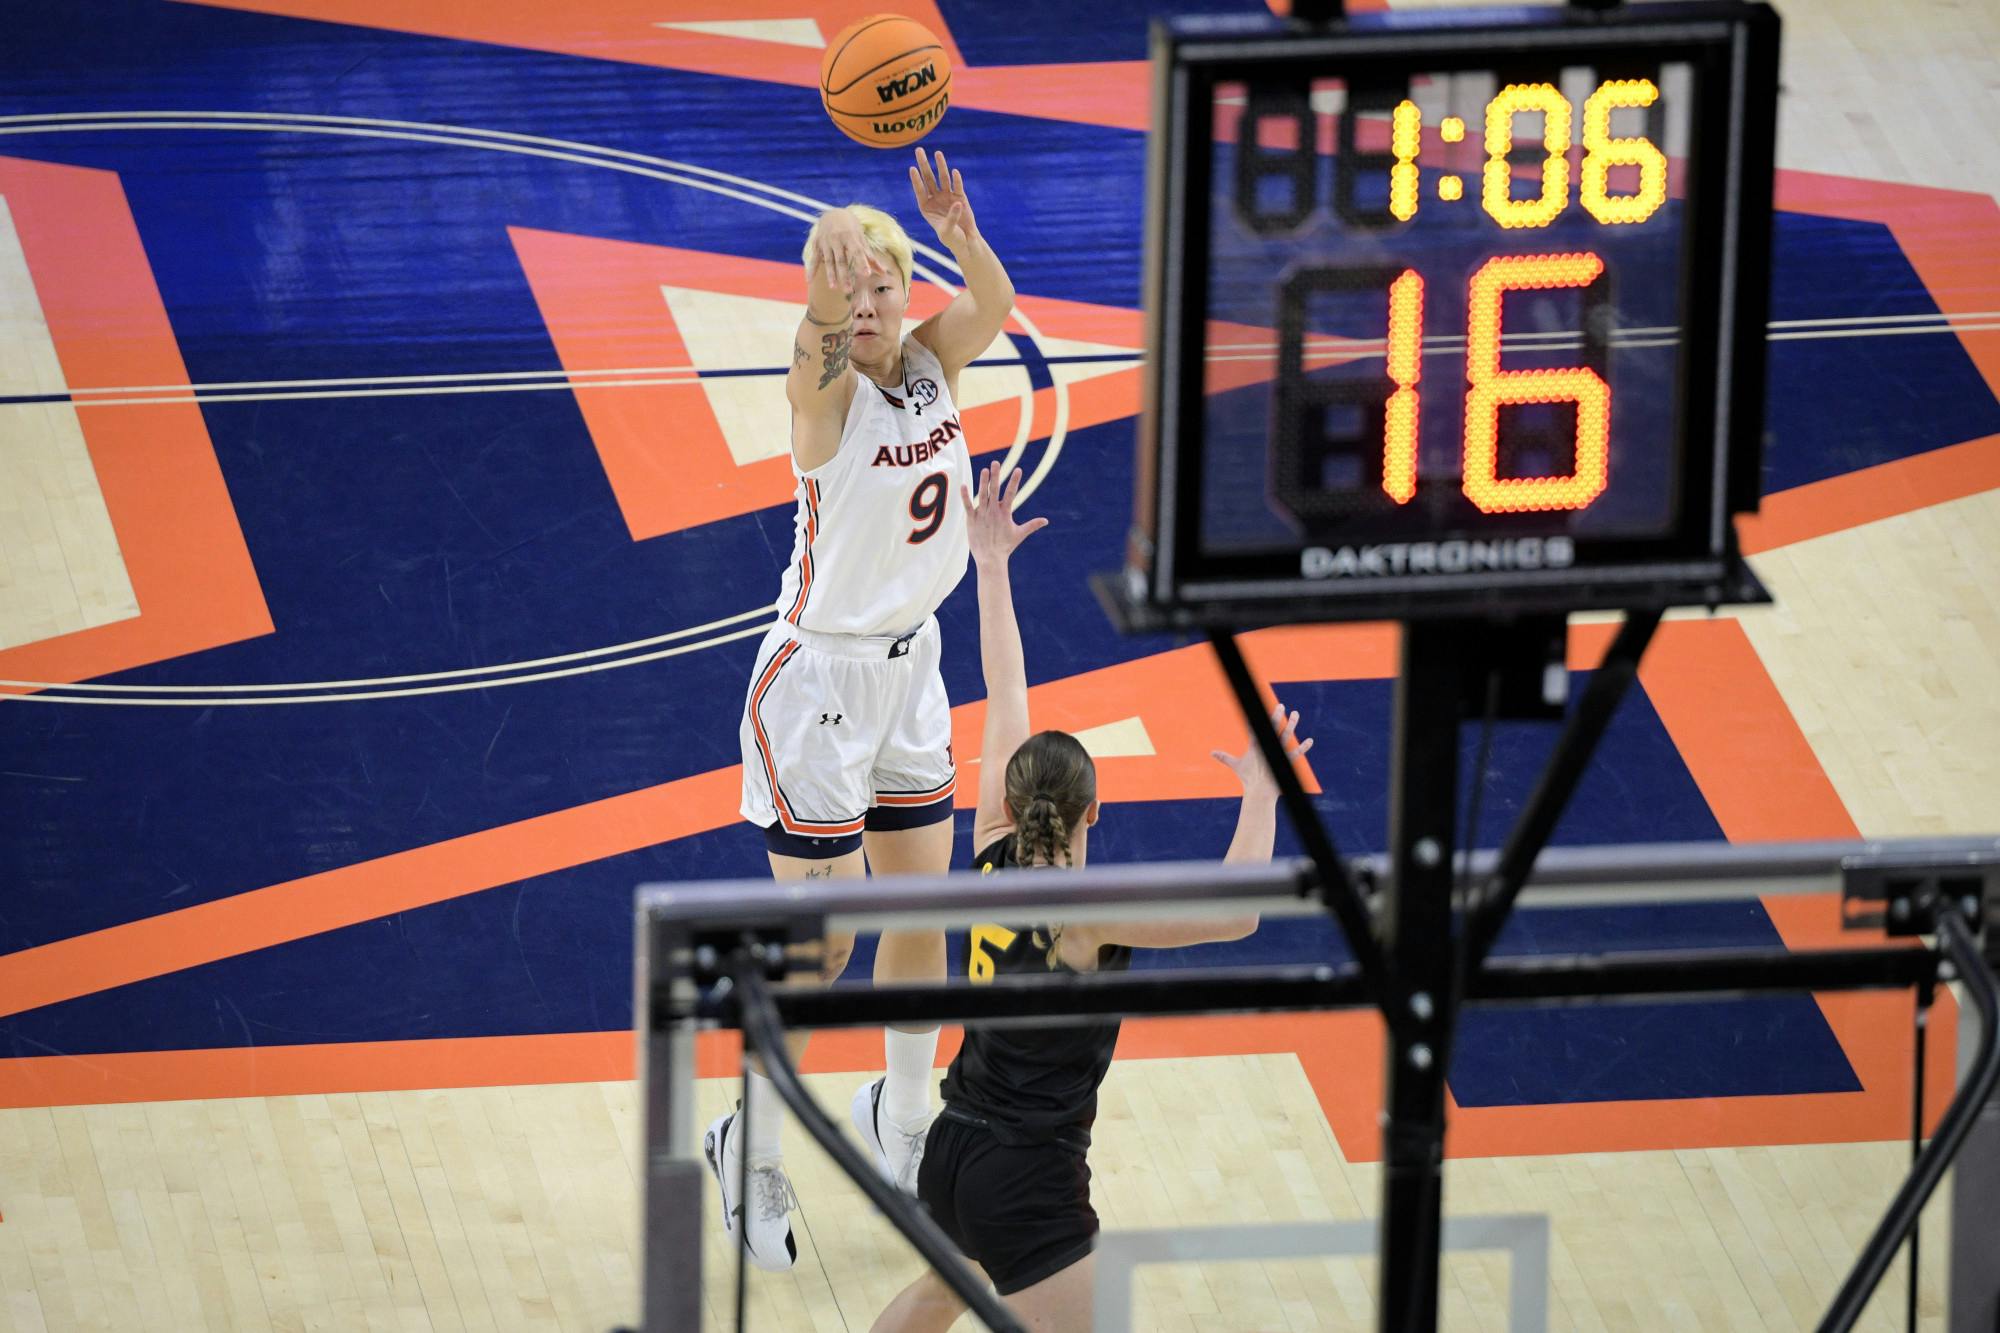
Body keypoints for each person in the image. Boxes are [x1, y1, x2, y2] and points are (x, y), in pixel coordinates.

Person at [870, 462, 1314, 1332]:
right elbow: (1239, 911)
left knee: (930, 1302)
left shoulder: (989, 846)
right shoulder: (1087, 912)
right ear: (1096, 811)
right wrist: (1260, 797)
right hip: (1025, 1176)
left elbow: (1006, 691)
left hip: (955, 1147)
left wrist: (990, 571)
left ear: (1011, 797)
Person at [708, 149, 1018, 1272]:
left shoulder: (931, 363)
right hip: (818, 688)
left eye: (886, 281)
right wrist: (822, 302)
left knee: (922, 912)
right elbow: (810, 363)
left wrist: (957, 225)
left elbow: (992, 303)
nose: (876, 301)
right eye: (855, 286)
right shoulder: (826, 398)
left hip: (909, 669)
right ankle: (747, 1137)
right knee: (824, 941)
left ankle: (900, 1119)